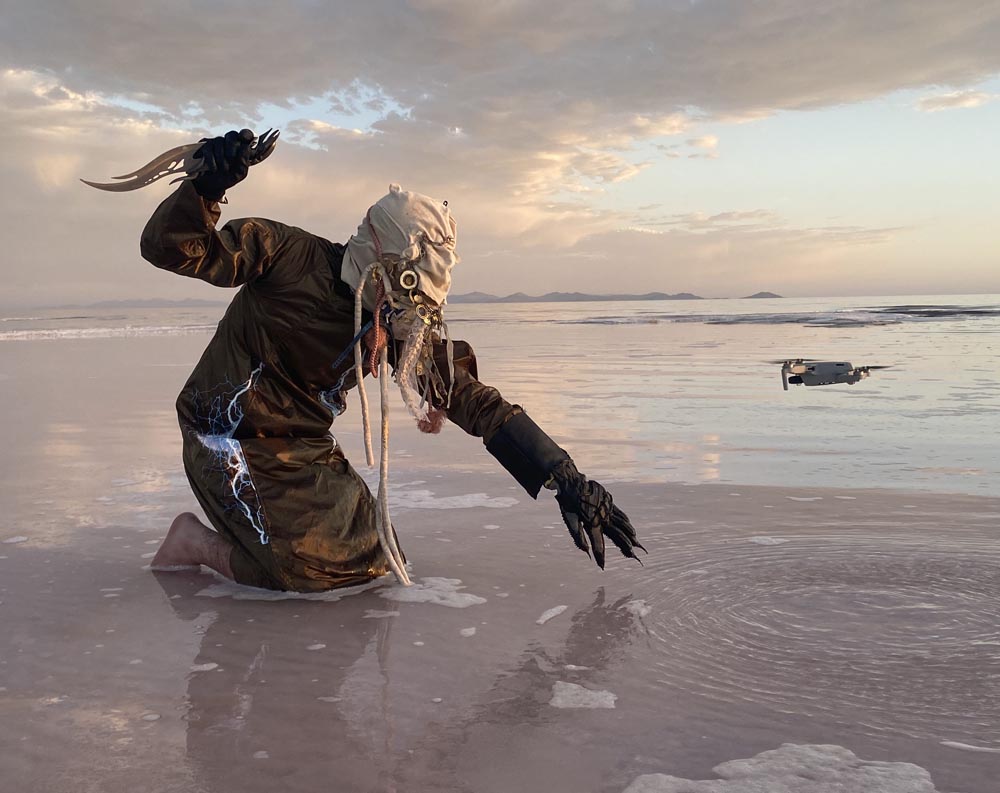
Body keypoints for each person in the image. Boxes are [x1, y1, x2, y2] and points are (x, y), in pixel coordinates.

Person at [143, 129, 644, 592]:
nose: (413, 314)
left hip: (303, 445)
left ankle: (257, 540)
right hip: (226, 435)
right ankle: (196, 543)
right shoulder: (286, 254)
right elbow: (173, 250)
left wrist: (564, 476)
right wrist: (206, 189)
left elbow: (469, 399)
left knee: (375, 559)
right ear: (380, 260)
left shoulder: (388, 323)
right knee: (306, 574)